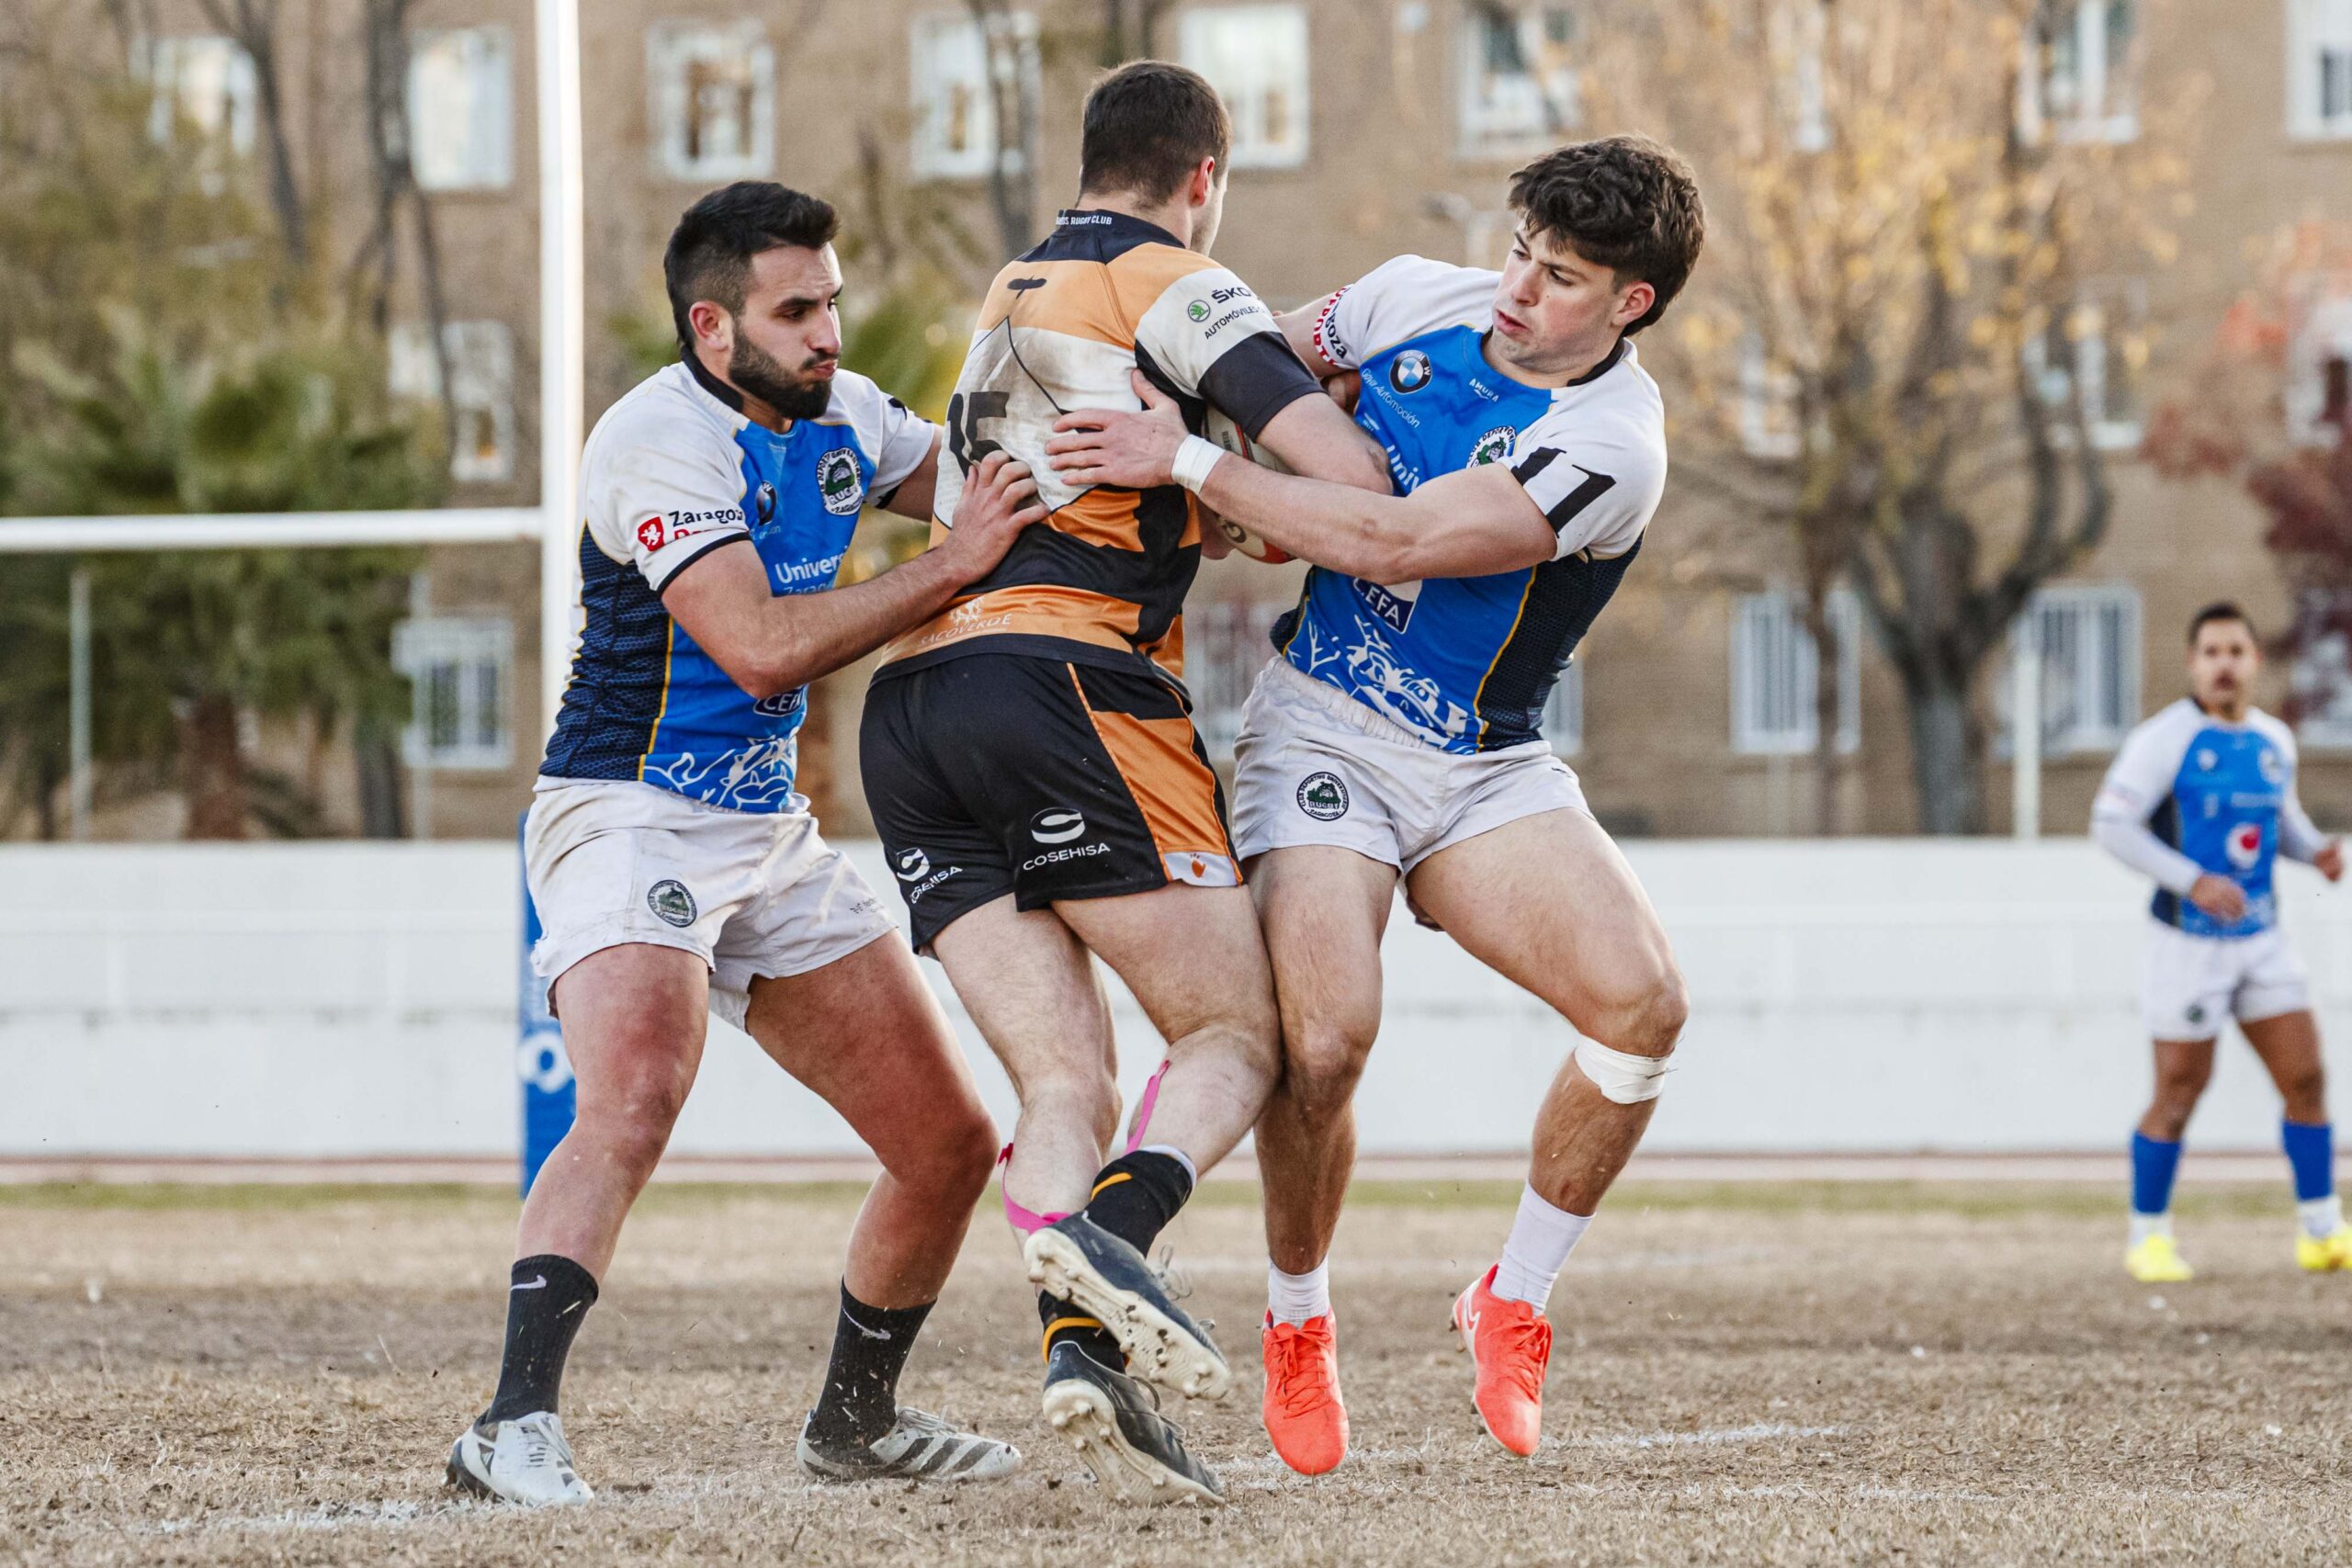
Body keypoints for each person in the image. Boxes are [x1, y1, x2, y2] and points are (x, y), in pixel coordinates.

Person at [1046, 135, 1705, 1471]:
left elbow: (1404, 539)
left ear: (1631, 304)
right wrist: (1241, 470)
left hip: (1480, 764)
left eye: (1562, 275)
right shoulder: (1418, 293)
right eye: (1521, 248)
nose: (1517, 287)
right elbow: (1257, 372)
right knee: (1330, 1036)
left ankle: (1513, 1295)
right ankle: (1300, 1315)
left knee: (1644, 1011)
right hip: (1322, 723)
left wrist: (1198, 474)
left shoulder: (1611, 446)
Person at [446, 181, 1046, 1506]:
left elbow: (1005, 505)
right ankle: (507, 1426)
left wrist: (1185, 484)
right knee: (640, 1088)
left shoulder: (844, 412)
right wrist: (952, 566)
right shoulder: (654, 440)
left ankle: (854, 1420)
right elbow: (764, 643)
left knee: (949, 1144)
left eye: (831, 300)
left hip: (767, 830)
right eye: (797, 310)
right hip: (624, 808)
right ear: (713, 328)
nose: (828, 330)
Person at [858, 61, 1390, 1504]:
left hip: (912, 707)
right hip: (1064, 686)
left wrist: (1195, 492)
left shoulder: (1011, 292)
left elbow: (1096, 482)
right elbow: (1346, 478)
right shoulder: (1178, 280)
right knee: (1237, 1029)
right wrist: (1261, 468)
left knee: (1063, 1073)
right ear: (1204, 179)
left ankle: (1080, 1347)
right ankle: (1116, 1238)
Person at [2091, 602, 2352, 1283]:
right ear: (2192, 664)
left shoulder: (2274, 741)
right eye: (2210, 652)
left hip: (2263, 938)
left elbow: (2279, 819)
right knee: (2179, 1089)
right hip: (2186, 941)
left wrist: (2314, 852)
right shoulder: (2164, 739)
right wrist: (2192, 879)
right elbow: (2112, 824)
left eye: (2236, 650)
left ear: (2256, 661)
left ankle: (2322, 1229)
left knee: (2306, 1077)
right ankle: (2148, 1236)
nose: (2224, 663)